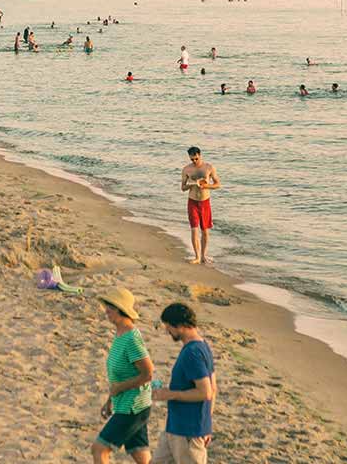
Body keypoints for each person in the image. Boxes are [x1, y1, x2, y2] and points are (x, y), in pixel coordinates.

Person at [92, 287, 154, 464]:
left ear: (121, 309)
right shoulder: (120, 334)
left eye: (110, 306)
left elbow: (148, 373)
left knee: (99, 449)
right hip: (126, 405)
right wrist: (110, 400)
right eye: (106, 306)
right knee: (140, 455)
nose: (106, 311)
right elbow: (118, 377)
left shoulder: (131, 338)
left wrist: (119, 389)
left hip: (133, 407)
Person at [151, 303, 216, 464]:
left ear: (180, 326)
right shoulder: (202, 347)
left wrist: (169, 394)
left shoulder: (192, 353)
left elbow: (206, 392)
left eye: (168, 327)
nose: (168, 331)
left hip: (188, 431)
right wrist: (207, 425)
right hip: (175, 427)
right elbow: (213, 388)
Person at [182, 147, 220, 265]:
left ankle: (203, 255)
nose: (194, 161)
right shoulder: (186, 169)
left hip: (205, 202)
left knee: (205, 231)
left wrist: (205, 186)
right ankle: (197, 256)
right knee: (194, 229)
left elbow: (218, 184)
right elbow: (183, 188)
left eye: (196, 158)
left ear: (200, 155)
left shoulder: (209, 167)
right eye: (192, 159)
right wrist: (192, 184)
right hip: (192, 201)